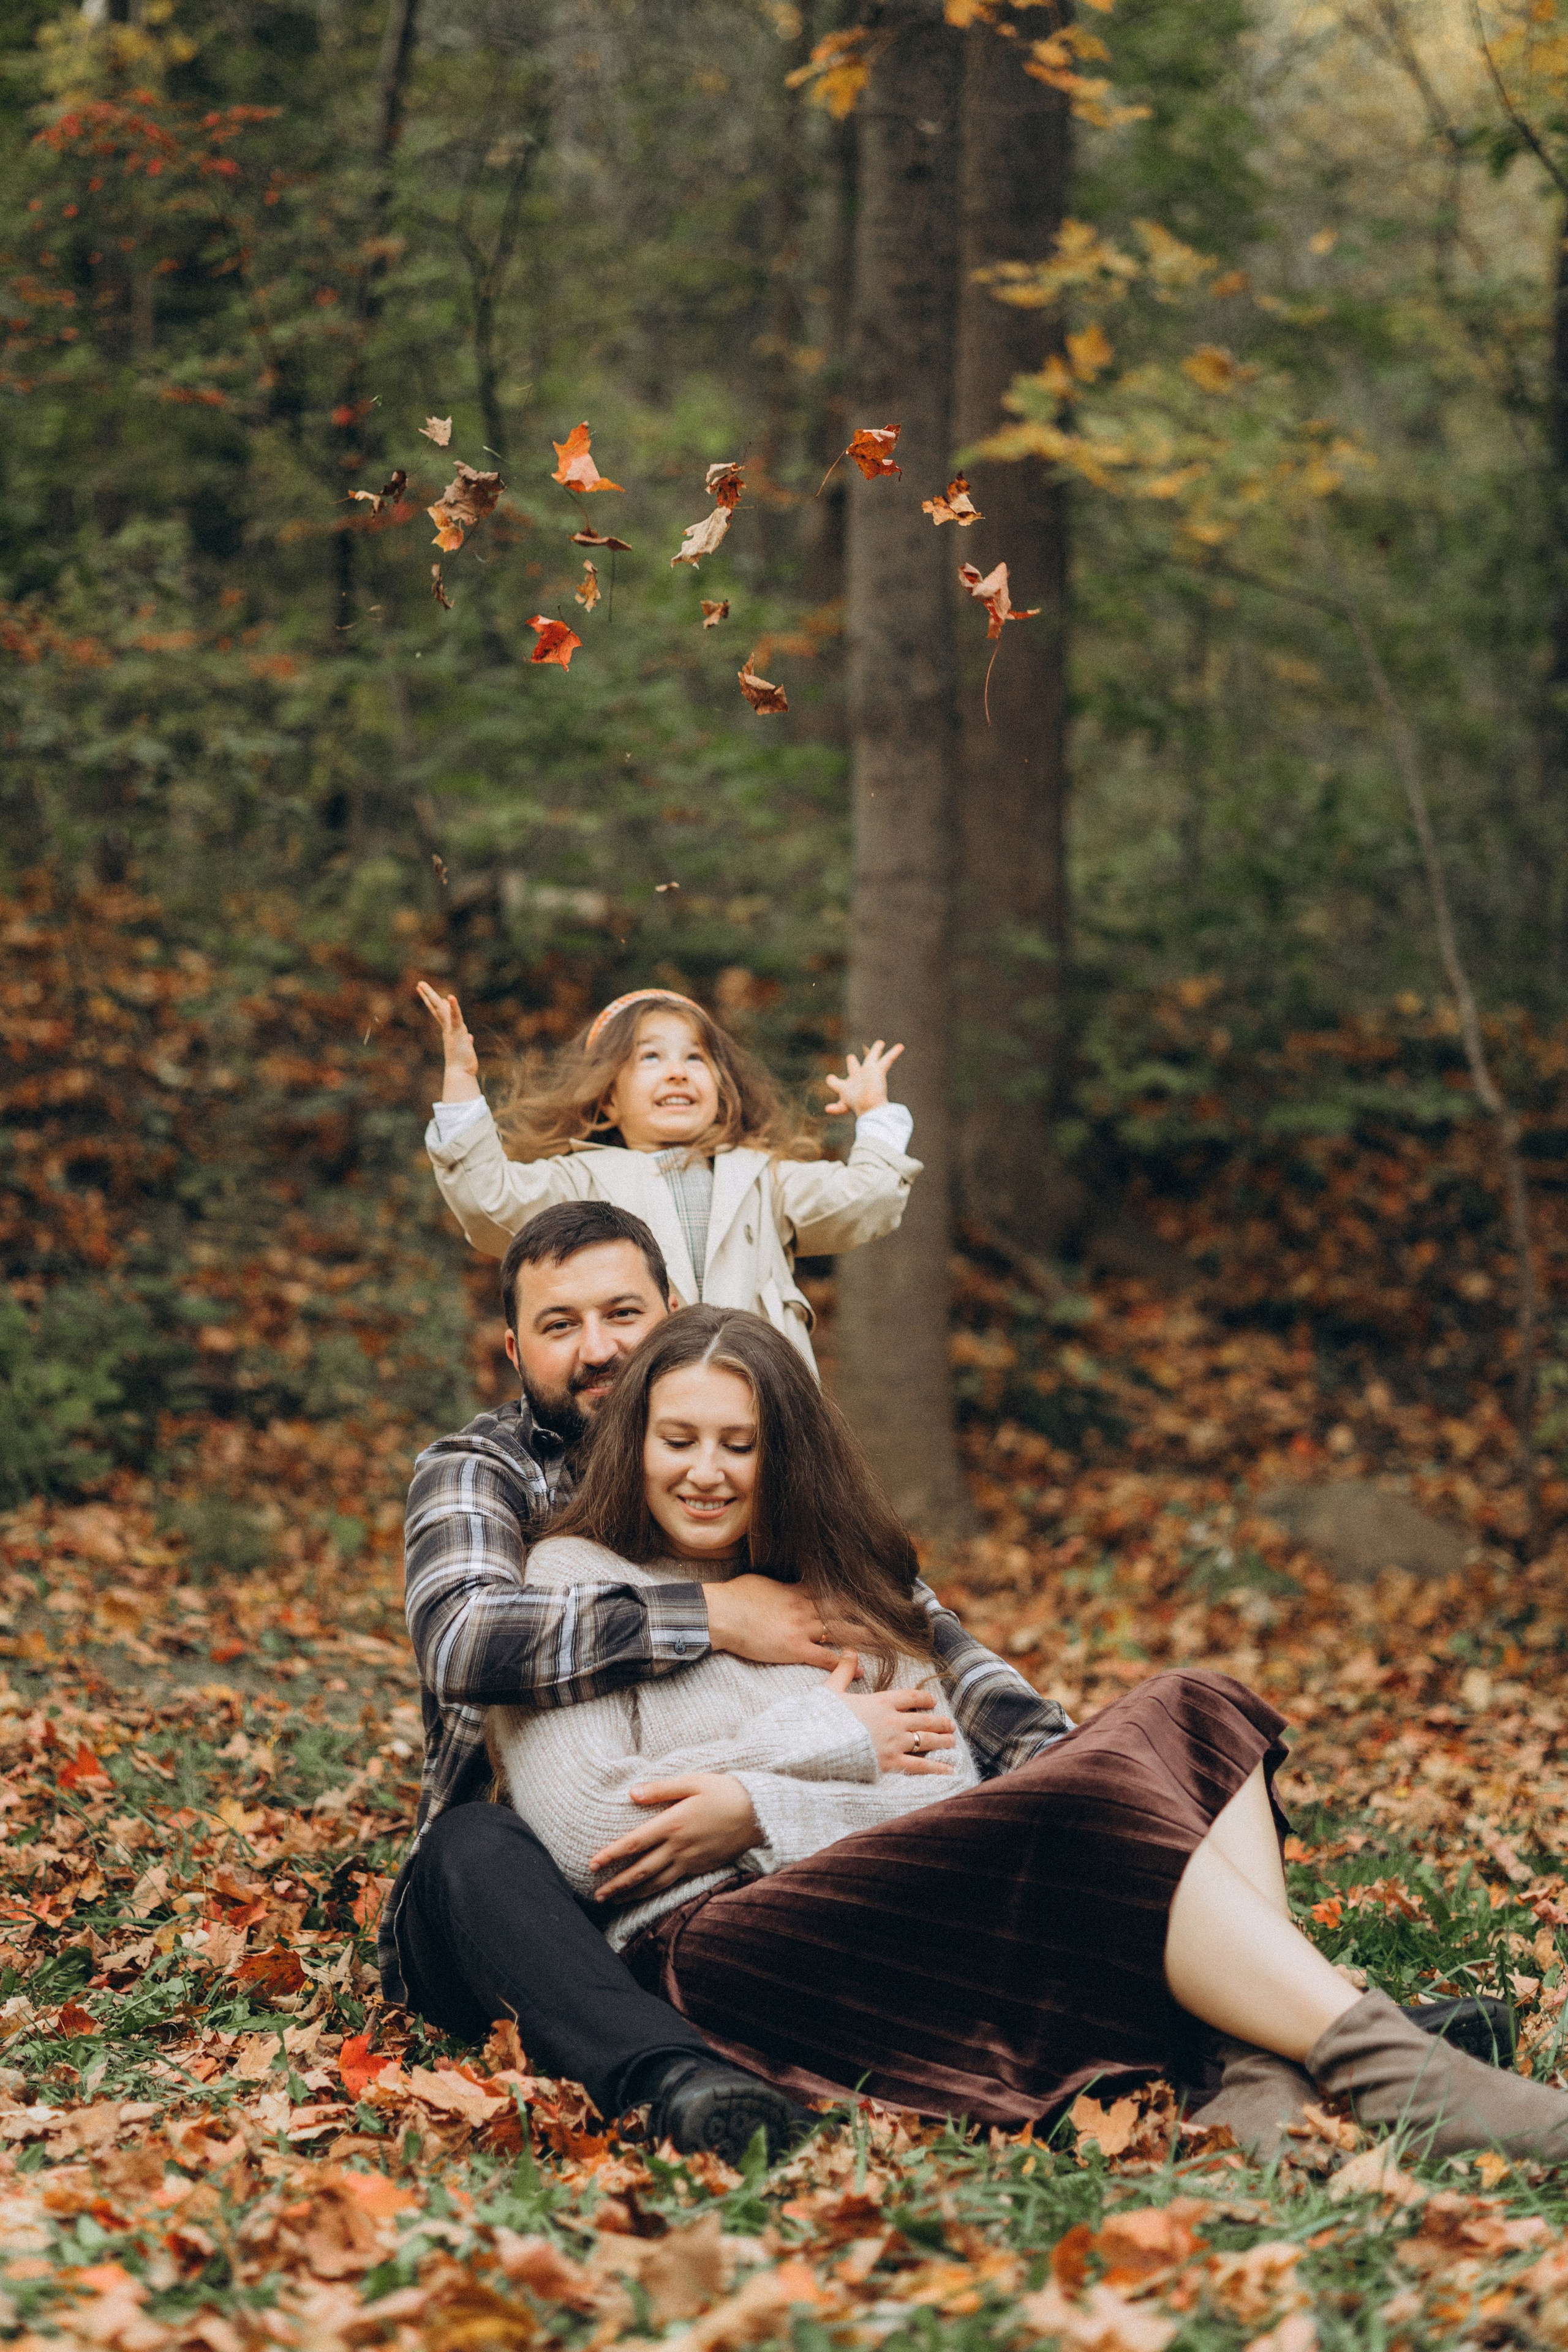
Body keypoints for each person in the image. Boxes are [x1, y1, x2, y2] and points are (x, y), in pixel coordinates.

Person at [488, 1305, 1568, 2164]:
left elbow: (946, 1791)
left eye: (740, 1443)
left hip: (898, 1899)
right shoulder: (577, 1580)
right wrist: (833, 1741)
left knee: (1197, 1702)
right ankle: (1388, 2068)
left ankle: (1257, 2078)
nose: (707, 1472)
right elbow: (593, 1831)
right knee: (1096, 1797)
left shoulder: (842, 1589)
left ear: (787, 1457)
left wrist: (754, 1809)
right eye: (678, 1440)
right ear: (635, 1442)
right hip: (722, 1955)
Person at [383, 1200, 1072, 2164]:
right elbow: (465, 1643)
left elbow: (933, 1661)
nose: (596, 1348)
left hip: (747, 1903)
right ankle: (672, 2081)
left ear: (673, 1312)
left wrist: (1058, 1765)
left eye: (622, 1314)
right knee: (476, 1846)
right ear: (512, 1347)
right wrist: (727, 1627)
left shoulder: (795, 1514)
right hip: (518, 1898)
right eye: (558, 1324)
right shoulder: (485, 1473)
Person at [415, 980, 917, 1375]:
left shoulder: (766, 1180)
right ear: (608, 1098)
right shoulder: (580, 1181)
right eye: (651, 1057)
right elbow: (488, 1203)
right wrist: (460, 1079)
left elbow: (866, 1201)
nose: (677, 1072)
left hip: (765, 1412)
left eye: (695, 1057)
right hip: (646, 1415)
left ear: (723, 1090)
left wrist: (876, 1116)